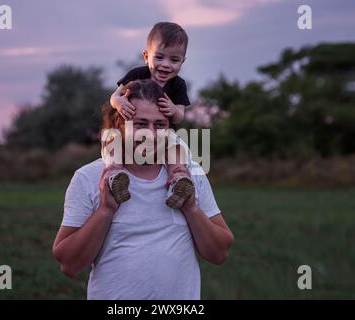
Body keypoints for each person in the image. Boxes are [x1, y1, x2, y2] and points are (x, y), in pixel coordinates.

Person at [53, 79, 234, 300]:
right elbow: (68, 264)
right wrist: (105, 211)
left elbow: (220, 253)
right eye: (140, 124)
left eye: (159, 125)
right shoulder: (88, 178)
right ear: (121, 124)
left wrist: (191, 209)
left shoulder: (190, 173)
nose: (150, 135)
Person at [108, 21, 194, 209]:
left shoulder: (178, 85)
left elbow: (180, 116)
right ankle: (114, 176)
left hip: (164, 135)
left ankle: (178, 180)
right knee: (112, 142)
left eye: (174, 60)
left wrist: (173, 109)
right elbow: (113, 97)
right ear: (146, 56)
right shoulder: (137, 73)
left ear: (182, 62)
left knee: (177, 149)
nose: (165, 65)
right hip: (130, 131)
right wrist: (119, 102)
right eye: (159, 57)